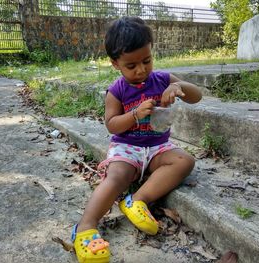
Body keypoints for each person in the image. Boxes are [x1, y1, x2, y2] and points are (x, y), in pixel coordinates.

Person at [71, 16, 202, 263]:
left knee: (185, 161)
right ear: (115, 64)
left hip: (158, 147)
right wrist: (134, 114)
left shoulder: (162, 79)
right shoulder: (117, 90)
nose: (141, 70)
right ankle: (85, 227)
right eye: (131, 65)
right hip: (127, 147)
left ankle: (137, 201)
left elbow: (197, 97)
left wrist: (180, 86)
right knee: (117, 176)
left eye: (146, 60)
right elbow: (112, 125)